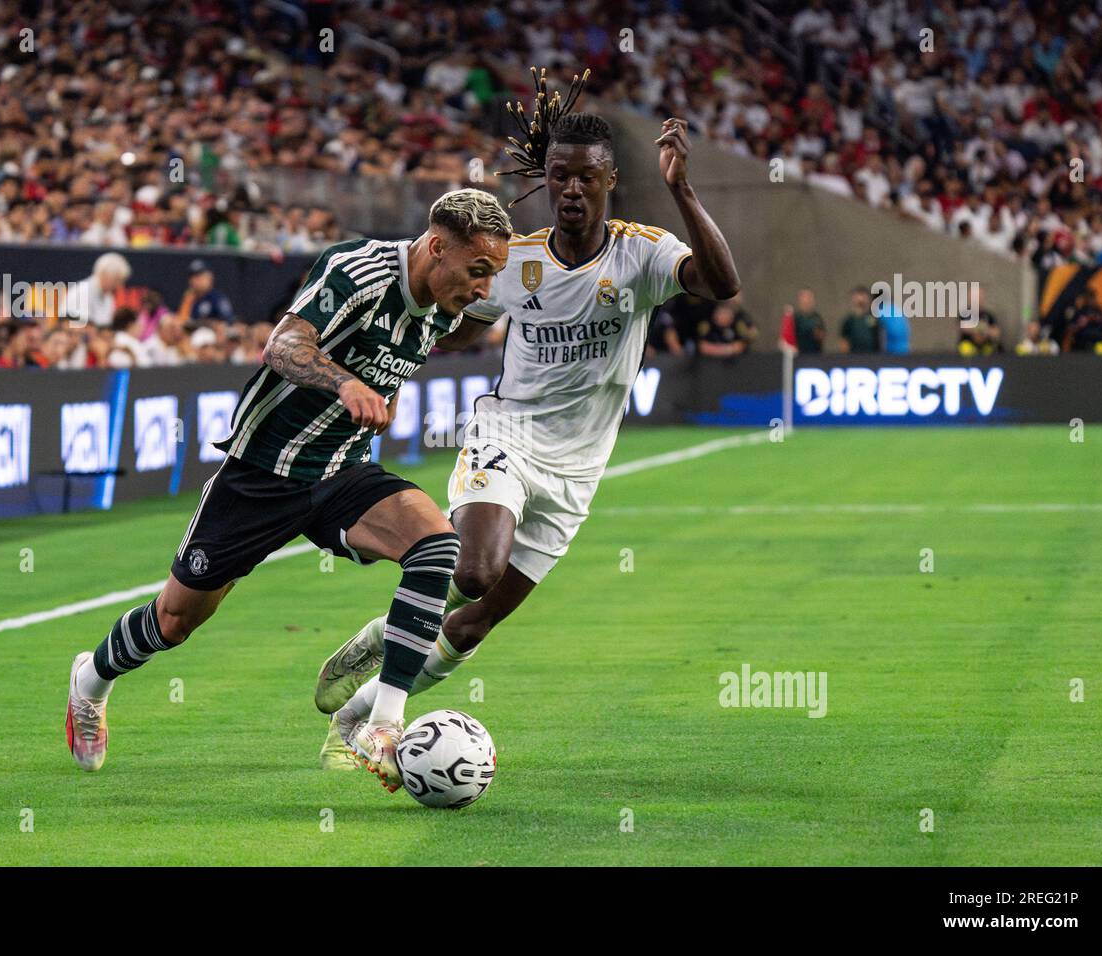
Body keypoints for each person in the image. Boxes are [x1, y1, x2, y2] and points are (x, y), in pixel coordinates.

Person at [312, 106, 739, 771]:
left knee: (471, 624)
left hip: (579, 467)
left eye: (586, 178)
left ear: (611, 181)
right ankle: (387, 715)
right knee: (473, 572)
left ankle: (357, 705)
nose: (572, 189)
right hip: (506, 432)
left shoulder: (642, 252)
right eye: (560, 176)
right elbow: (459, 325)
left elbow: (722, 284)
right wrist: (394, 364)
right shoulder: (515, 261)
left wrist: (682, 189)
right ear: (545, 180)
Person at [63, 188, 512, 793]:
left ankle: (381, 724)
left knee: (437, 549)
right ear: (436, 248)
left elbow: (398, 362)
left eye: (494, 276)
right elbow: (283, 345)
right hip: (261, 473)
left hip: (341, 471)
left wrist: (379, 396)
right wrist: (345, 384)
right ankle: (90, 681)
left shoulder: (444, 307)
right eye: (479, 270)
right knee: (174, 621)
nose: (484, 289)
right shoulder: (358, 270)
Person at [62, 252, 130, 328]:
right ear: (104, 274)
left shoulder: (108, 297)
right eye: (117, 280)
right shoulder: (80, 292)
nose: (119, 286)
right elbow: (77, 329)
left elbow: (106, 327)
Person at [839, 286, 882, 353]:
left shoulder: (873, 318)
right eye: (858, 296)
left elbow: (878, 339)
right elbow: (844, 341)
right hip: (854, 357)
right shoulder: (849, 320)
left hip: (871, 357)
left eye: (864, 296)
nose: (861, 299)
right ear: (854, 299)